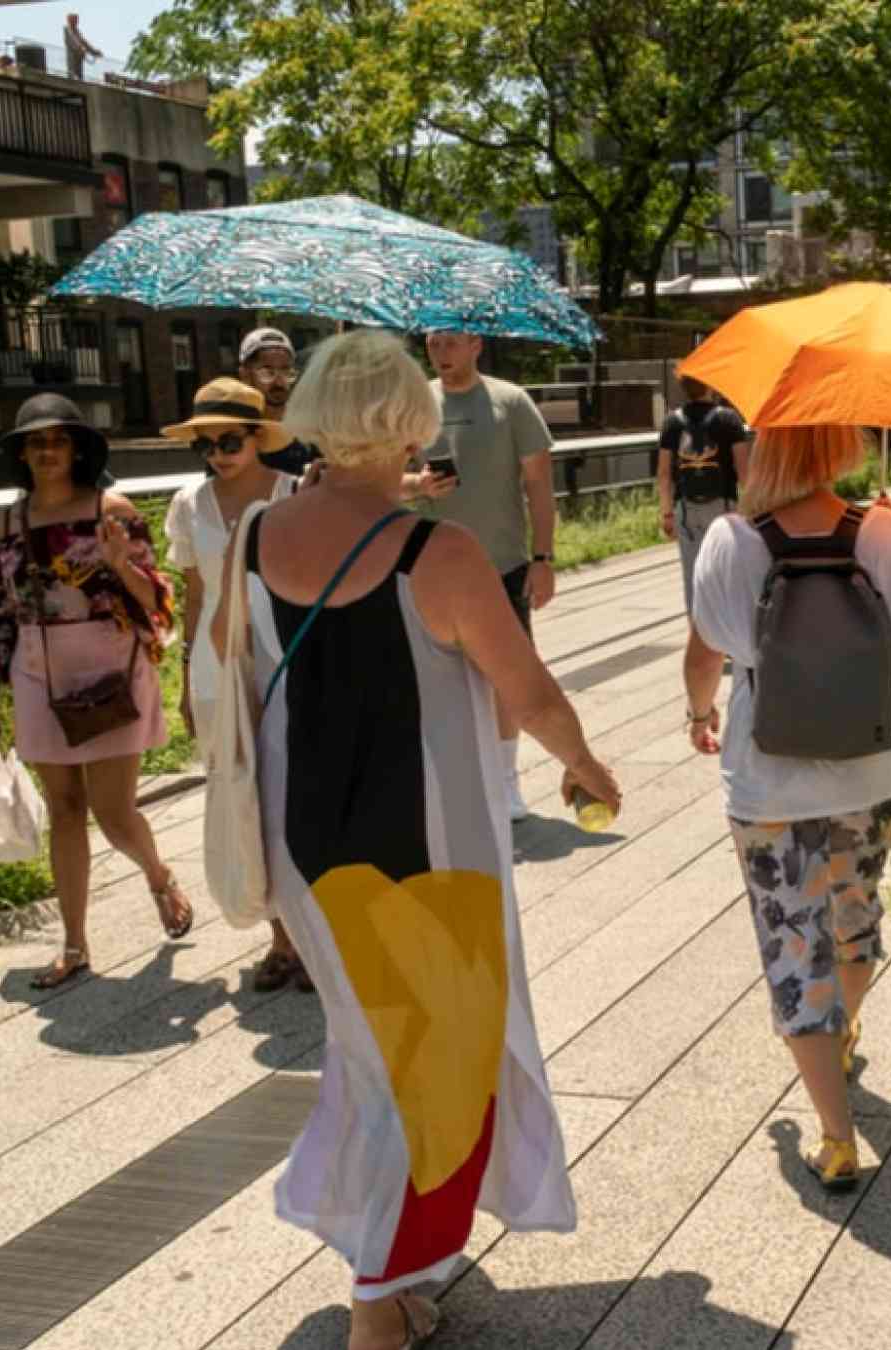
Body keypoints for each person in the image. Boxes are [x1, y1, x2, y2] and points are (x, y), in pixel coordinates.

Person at [216, 328, 620, 1349]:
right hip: (428, 856)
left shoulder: (251, 537)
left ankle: (383, 1272)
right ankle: (375, 1302)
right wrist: (586, 763)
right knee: (445, 1068)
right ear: (410, 422)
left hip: (307, 845)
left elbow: (232, 671)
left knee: (371, 1052)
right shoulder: (436, 553)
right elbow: (524, 687)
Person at [680, 425, 891, 1192]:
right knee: (854, 912)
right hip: (869, 772)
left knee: (795, 940)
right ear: (841, 445)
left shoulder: (732, 540)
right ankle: (846, 1027)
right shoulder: (884, 528)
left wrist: (698, 713)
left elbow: (705, 652)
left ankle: (836, 1137)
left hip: (768, 784)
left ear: (767, 451)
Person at [0, 393, 194, 991]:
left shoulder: (111, 509)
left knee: (115, 812)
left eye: (58, 440)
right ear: (21, 453)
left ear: (77, 449)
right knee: (65, 810)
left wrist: (120, 563)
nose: (47, 451)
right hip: (36, 668)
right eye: (36, 442)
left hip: (108, 667)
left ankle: (157, 875)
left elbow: (158, 600)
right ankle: (73, 945)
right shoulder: (5, 525)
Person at [160, 376, 311, 995]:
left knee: (291, 796)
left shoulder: (292, 495)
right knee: (241, 797)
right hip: (216, 670)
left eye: (228, 439)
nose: (217, 453)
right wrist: (185, 674)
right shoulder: (188, 504)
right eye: (206, 443)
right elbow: (194, 594)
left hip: (282, 658)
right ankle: (279, 939)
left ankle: (309, 937)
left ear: (257, 437)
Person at [404, 330, 558, 820]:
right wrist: (418, 484)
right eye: (433, 343)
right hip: (428, 565)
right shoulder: (414, 403)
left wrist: (543, 557)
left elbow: (538, 485)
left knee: (505, 677)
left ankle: (507, 780)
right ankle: (453, 780)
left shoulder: (510, 402)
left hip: (502, 563)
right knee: (434, 675)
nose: (441, 353)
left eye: (452, 343)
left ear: (476, 345)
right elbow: (383, 476)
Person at [656, 376, 751, 612]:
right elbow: (743, 471)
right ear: (710, 385)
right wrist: (752, 509)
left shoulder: (672, 422)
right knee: (727, 573)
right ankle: (727, 638)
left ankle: (698, 635)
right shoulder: (729, 419)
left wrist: (667, 514)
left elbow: (664, 474)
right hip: (724, 507)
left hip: (686, 510)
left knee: (692, 576)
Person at [238, 327, 321, 476]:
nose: (279, 382)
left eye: (286, 371)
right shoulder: (233, 431)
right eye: (267, 373)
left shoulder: (309, 429)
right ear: (245, 375)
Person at [61, 12, 100, 80]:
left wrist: (94, 52)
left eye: (77, 20)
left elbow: (84, 42)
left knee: (79, 78)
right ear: (69, 20)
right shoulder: (67, 30)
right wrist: (80, 48)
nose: (76, 22)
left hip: (79, 60)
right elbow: (74, 41)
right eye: (75, 20)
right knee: (72, 77)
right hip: (72, 60)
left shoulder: (77, 31)